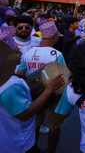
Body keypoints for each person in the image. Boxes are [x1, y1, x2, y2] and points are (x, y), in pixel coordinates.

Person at [0, 33, 64, 153]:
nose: (20, 53)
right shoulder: (11, 85)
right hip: (19, 143)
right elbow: (24, 114)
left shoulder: (6, 77)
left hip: (7, 139)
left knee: (37, 124)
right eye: (17, 52)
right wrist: (50, 89)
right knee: (54, 125)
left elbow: (21, 71)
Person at [17, 21, 67, 153]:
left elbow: (20, 74)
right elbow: (64, 77)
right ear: (55, 36)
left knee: (34, 123)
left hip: (33, 94)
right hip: (52, 94)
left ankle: (33, 148)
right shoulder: (56, 54)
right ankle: (51, 151)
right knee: (54, 125)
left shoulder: (29, 53)